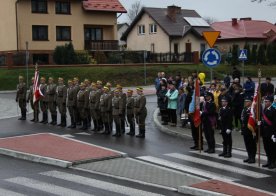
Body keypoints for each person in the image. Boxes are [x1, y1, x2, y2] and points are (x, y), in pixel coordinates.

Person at [260, 95, 276, 169]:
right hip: (264, 132)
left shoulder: (274, 110)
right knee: (266, 148)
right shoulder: (264, 110)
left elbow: (275, 123)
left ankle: (273, 162)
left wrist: (274, 134)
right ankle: (268, 161)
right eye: (265, 101)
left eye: (267, 101)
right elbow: (263, 121)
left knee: (272, 148)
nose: (265, 103)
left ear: (271, 102)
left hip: (270, 133)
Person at [241, 96, 257, 164]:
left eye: (247, 101)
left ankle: (252, 157)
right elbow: (242, 118)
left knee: (252, 144)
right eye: (245, 101)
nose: (246, 102)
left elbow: (254, 120)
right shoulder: (244, 109)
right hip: (245, 129)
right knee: (247, 144)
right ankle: (249, 156)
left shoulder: (253, 110)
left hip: (251, 130)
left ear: (251, 102)